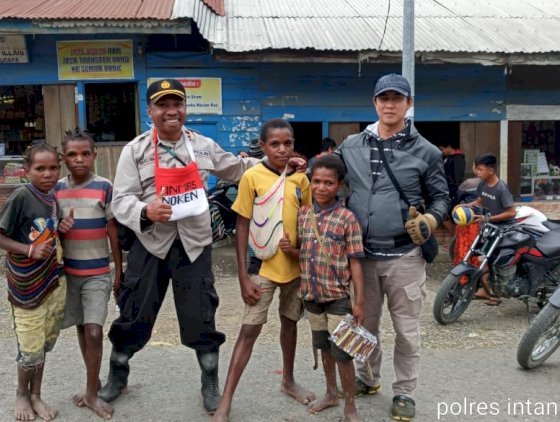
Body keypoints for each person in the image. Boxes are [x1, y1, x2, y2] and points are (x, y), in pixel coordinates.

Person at [100, 79, 304, 413]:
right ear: (150, 110)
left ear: (185, 108)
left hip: (194, 245)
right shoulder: (134, 151)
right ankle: (117, 374)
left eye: (177, 104)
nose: (171, 111)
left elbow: (237, 168)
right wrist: (145, 211)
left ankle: (210, 381)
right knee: (134, 312)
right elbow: (120, 200)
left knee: (201, 315)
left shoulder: (203, 145)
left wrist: (278, 163)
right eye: (163, 105)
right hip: (151, 244)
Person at [335, 73, 449, 421]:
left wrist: (431, 220)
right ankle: (368, 377)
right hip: (363, 258)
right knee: (365, 325)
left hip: (405, 257)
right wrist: (300, 167)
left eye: (397, 98)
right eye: (383, 98)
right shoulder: (351, 145)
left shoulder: (427, 151)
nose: (389, 104)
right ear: (374, 103)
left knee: (406, 331)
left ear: (408, 103)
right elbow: (327, 175)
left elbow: (442, 198)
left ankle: (404, 392)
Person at [213, 118, 314, 422]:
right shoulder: (252, 177)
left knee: (290, 324)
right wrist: (243, 276)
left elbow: (308, 221)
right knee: (249, 330)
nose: (282, 149)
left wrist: (308, 263)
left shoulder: (301, 179)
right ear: (262, 146)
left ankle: (288, 381)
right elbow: (242, 224)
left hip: (294, 267)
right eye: (275, 144)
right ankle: (226, 400)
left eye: (288, 143)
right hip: (262, 267)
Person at [0, 143, 68, 422]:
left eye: (53, 168)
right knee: (30, 346)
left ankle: (36, 395)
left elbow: (42, 230)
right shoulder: (21, 196)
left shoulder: (52, 198)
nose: (47, 174)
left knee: (42, 343)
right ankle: (22, 394)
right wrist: (29, 250)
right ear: (26, 170)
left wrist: (61, 227)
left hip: (51, 281)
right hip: (26, 285)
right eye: (40, 168)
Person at [54, 130, 122, 420]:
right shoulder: (55, 190)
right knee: (82, 328)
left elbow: (112, 230)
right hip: (69, 274)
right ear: (64, 158)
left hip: (97, 273)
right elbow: (49, 231)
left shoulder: (105, 187)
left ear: (94, 155)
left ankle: (92, 394)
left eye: (85, 154)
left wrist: (118, 271)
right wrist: (59, 228)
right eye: (72, 154)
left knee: (95, 330)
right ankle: (92, 383)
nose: (79, 159)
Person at [297, 154, 365, 421]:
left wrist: (359, 302)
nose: (321, 187)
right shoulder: (303, 214)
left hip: (338, 297)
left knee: (343, 353)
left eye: (328, 183)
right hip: (312, 295)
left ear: (340, 185)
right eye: (316, 181)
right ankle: (330, 393)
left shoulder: (347, 219)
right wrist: (289, 249)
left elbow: (355, 262)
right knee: (323, 346)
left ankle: (350, 406)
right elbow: (303, 252)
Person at [461, 153, 517, 306]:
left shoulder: (501, 188)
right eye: (477, 168)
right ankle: (486, 290)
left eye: (480, 169)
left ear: (491, 171)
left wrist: (488, 218)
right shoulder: (483, 184)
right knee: (484, 258)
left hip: (504, 230)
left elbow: (511, 212)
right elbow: (480, 201)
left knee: (495, 262)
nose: (477, 172)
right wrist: (464, 206)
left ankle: (496, 295)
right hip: (489, 228)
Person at [439, 141, 465, 236]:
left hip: (452, 193)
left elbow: (457, 179)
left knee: (451, 216)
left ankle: (456, 237)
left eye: (442, 149)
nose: (442, 152)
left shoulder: (458, 159)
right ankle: (455, 237)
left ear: (449, 147)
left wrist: (453, 193)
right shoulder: (447, 158)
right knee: (445, 216)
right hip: (446, 191)